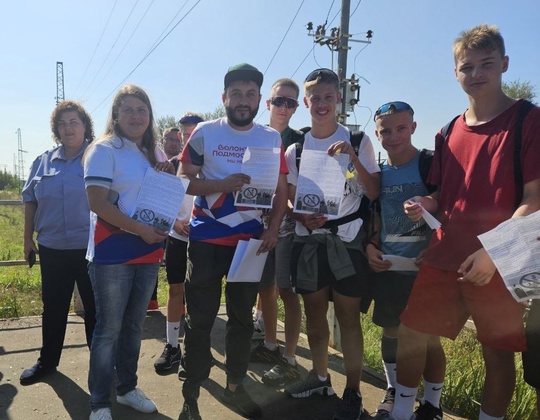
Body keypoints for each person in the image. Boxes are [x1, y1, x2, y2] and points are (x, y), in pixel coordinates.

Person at [392, 24, 540, 420]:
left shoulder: (529, 120)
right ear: (455, 72)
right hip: (446, 253)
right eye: (466, 67)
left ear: (504, 64)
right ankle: (401, 413)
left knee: (498, 353)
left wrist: (493, 252)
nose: (476, 74)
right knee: (412, 336)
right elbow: (444, 195)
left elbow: (535, 199)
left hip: (504, 261)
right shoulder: (448, 130)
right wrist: (426, 201)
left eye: (486, 64)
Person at [177, 63, 288, 420]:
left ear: (260, 99)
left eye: (250, 94)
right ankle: (190, 393)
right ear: (224, 97)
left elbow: (281, 188)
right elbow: (183, 179)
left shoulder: (271, 137)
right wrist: (220, 186)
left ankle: (236, 387)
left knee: (241, 320)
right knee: (200, 320)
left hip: (250, 245)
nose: (243, 100)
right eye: (236, 94)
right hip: (208, 240)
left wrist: (272, 229)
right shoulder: (206, 133)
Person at [283, 68, 380, 420]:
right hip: (309, 242)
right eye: (315, 98)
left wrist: (351, 160)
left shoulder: (358, 141)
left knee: (348, 318)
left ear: (339, 99)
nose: (322, 104)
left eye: (328, 97)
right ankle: (320, 376)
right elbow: (290, 199)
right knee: (314, 316)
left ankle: (352, 390)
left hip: (348, 243)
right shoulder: (296, 149)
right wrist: (299, 216)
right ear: (306, 102)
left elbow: (373, 192)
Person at [84, 84, 174, 420]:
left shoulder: (152, 153)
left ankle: (126, 388)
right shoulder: (104, 150)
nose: (136, 116)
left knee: (134, 326)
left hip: (149, 251)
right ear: (116, 115)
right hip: (113, 252)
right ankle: (98, 402)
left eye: (142, 110)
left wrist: (165, 175)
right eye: (129, 110)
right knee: (108, 329)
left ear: (149, 116)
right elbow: (97, 203)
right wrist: (141, 230)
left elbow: (160, 195)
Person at [365, 102, 438, 419]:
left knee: (430, 337)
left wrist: (435, 249)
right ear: (377, 133)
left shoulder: (429, 164)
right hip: (391, 268)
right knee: (391, 332)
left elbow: (449, 209)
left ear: (413, 127)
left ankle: (433, 404)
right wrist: (370, 247)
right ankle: (393, 390)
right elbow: (376, 218)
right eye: (385, 131)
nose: (393, 137)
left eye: (400, 129)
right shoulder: (379, 172)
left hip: (426, 269)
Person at [20, 100, 96, 385]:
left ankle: (99, 365)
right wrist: (27, 238)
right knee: (53, 307)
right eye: (62, 124)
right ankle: (47, 362)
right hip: (52, 248)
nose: (68, 128)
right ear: (56, 130)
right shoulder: (43, 161)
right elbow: (30, 200)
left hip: (90, 248)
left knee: (94, 308)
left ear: (85, 125)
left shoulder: (97, 157)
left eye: (74, 122)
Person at [249, 78, 304, 387]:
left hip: (289, 229)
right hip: (256, 225)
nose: (284, 107)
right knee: (264, 288)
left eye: (290, 102)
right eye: (278, 101)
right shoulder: (254, 137)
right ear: (267, 104)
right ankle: (271, 344)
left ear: (297, 106)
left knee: (287, 291)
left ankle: (291, 357)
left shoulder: (302, 141)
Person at [154, 116, 204, 373]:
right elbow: (161, 204)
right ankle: (172, 347)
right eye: (184, 135)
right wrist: (173, 223)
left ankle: (196, 351)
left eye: (193, 134)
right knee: (175, 291)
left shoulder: (211, 167)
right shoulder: (170, 166)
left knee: (199, 296)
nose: (187, 139)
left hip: (204, 239)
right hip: (177, 237)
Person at [148, 126, 184, 311]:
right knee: (154, 256)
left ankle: (182, 304)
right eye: (169, 139)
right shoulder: (156, 159)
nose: (173, 142)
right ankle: (151, 300)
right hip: (161, 219)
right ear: (162, 140)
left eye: (176, 140)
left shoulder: (187, 162)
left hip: (182, 225)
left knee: (180, 268)